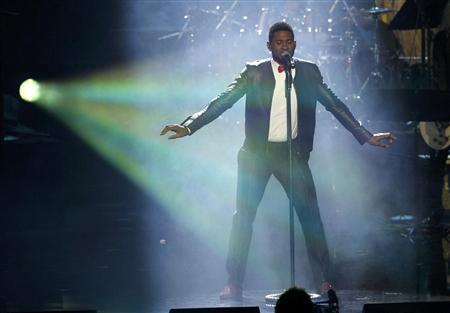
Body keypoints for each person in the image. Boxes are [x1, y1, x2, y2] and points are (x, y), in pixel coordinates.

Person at [160, 22, 395, 300]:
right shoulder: (254, 72)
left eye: (290, 42)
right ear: (269, 46)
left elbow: (335, 104)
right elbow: (223, 101)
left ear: (294, 45)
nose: (285, 46)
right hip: (256, 156)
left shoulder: (308, 72)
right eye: (279, 42)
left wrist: (366, 135)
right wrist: (189, 126)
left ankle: (322, 282)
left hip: (291, 156)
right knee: (243, 218)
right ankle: (234, 283)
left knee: (311, 217)